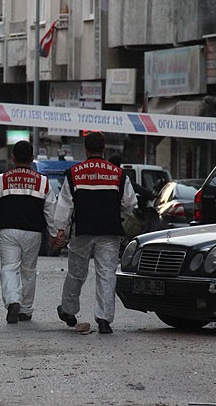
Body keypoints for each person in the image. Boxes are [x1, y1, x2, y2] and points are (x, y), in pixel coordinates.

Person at [53, 132, 137, 334]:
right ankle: (104, 320)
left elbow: (65, 204)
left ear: (86, 149)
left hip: (81, 231)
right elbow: (129, 203)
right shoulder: (118, 174)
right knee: (107, 274)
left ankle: (69, 311)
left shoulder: (74, 173)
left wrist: (59, 230)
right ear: (104, 148)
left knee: (77, 273)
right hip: (110, 231)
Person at [0, 140, 58, 324]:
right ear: (32, 158)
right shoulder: (43, 182)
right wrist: (55, 234)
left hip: (7, 231)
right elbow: (51, 211)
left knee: (9, 267)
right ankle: (25, 309)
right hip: (33, 232)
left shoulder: (1, 180)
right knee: (28, 270)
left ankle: (12, 300)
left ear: (12, 158)